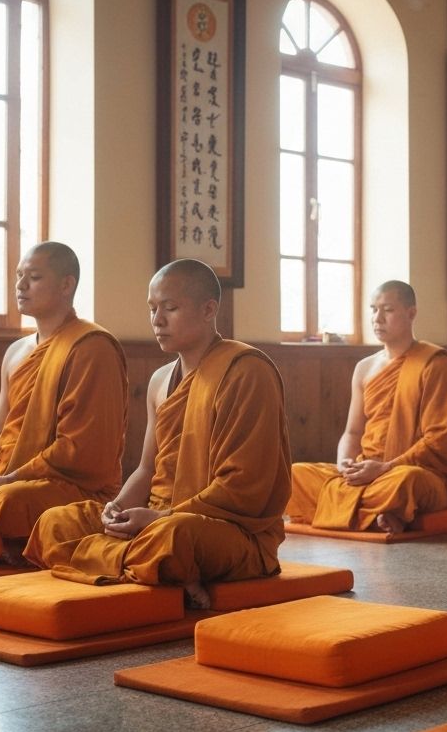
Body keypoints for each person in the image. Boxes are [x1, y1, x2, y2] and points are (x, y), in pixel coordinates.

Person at [25, 259, 290, 608]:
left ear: (209, 309)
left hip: (226, 529)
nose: (157, 320)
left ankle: (128, 560)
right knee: (54, 523)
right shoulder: (159, 381)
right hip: (154, 517)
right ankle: (161, 570)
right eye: (152, 309)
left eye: (170, 308)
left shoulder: (246, 371)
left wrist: (161, 518)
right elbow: (148, 469)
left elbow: (245, 487)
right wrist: (117, 509)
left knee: (173, 538)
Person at [0, 242, 127, 564]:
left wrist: (6, 481)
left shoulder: (92, 348)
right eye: (18, 276)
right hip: (7, 478)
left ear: (67, 284)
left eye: (34, 277)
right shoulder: (16, 352)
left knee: (5, 500)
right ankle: (1, 544)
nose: (20, 286)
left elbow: (83, 450)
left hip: (71, 486)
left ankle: (2, 545)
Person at [286, 280, 447, 535]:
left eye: (388, 310)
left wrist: (385, 468)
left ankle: (348, 511)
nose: (377, 318)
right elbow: (352, 433)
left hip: (419, 473)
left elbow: (442, 439)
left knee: (406, 483)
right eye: (373, 309)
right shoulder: (365, 368)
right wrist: (344, 466)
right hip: (366, 471)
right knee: (296, 475)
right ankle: (377, 516)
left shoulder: (435, 364)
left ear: (411, 313)